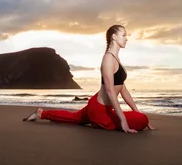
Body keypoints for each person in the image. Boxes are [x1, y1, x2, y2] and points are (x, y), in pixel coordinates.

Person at [22, 24, 155, 133]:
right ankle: (43, 114)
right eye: (124, 35)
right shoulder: (108, 59)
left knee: (73, 117)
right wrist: (123, 121)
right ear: (114, 37)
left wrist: (136, 111)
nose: (126, 38)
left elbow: (122, 89)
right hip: (99, 112)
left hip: (100, 106)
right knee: (142, 120)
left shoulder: (116, 59)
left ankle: (41, 114)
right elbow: (110, 91)